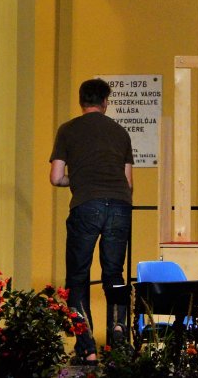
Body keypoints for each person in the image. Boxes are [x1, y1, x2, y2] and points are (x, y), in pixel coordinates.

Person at [49, 77, 136, 363]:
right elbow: (128, 182)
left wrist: (81, 179)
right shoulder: (121, 132)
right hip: (120, 206)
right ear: (105, 102)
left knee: (77, 276)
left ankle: (86, 348)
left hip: (86, 206)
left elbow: (56, 177)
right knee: (114, 275)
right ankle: (119, 338)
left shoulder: (68, 130)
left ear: (81, 101)